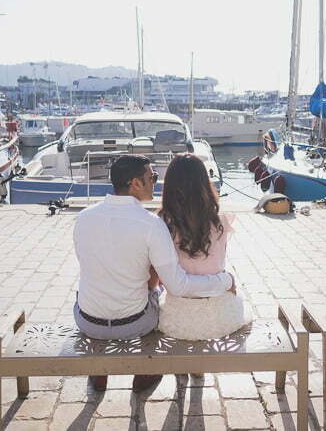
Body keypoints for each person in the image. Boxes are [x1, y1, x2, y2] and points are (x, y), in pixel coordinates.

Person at [73, 154, 235, 392]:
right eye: (152, 177)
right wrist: (225, 281)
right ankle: (147, 371)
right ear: (136, 183)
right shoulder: (150, 224)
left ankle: (99, 372)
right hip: (133, 324)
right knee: (154, 293)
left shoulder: (83, 217)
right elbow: (176, 285)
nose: (156, 183)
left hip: (87, 320)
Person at [157, 154, 252, 340]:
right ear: (204, 182)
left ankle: (183, 369)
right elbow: (218, 263)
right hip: (223, 316)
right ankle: (196, 369)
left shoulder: (161, 223)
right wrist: (227, 280)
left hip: (178, 317)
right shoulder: (221, 220)